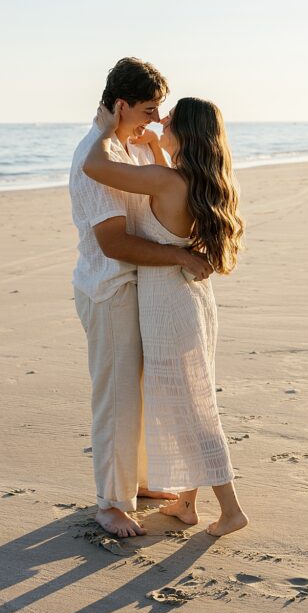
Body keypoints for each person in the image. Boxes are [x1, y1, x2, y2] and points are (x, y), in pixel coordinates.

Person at [83, 96, 249, 537]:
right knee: (183, 397)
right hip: (190, 300)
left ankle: (231, 510)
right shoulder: (195, 180)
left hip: (168, 305)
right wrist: (158, 145)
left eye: (169, 119)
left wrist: (106, 128)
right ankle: (188, 504)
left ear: (187, 134)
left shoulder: (164, 180)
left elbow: (95, 167)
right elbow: (162, 180)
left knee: (192, 407)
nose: (161, 120)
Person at [69, 57, 213, 538]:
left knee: (143, 390)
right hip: (108, 287)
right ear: (122, 105)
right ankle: (111, 502)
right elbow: (114, 242)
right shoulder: (95, 156)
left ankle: (142, 483)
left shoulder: (122, 149)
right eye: (150, 109)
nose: (156, 118)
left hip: (136, 285)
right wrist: (180, 259)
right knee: (116, 396)